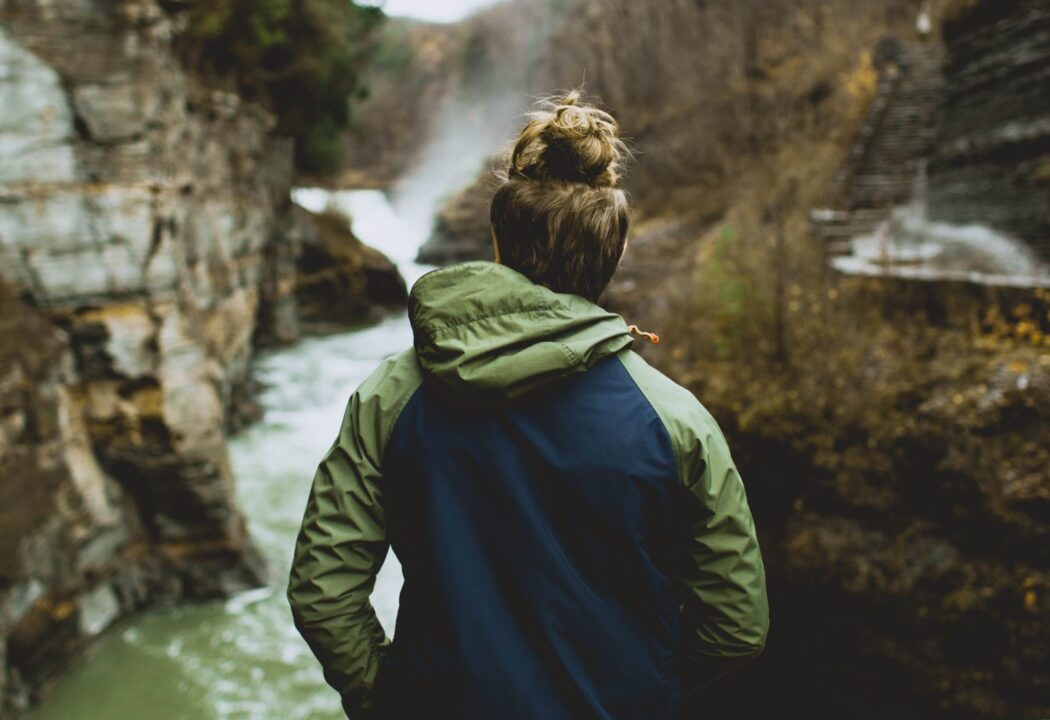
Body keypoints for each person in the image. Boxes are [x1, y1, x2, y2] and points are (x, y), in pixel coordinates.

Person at [287, 92, 769, 720]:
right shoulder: (675, 420)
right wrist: (643, 690)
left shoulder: (393, 394)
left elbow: (323, 594)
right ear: (615, 252)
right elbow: (736, 625)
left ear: (498, 242)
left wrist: (390, 701)